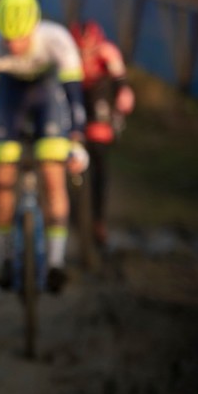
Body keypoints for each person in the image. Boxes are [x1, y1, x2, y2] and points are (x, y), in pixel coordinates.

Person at [0, 0, 89, 293]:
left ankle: (56, 264)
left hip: (48, 98)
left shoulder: (56, 39)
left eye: (20, 37)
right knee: (2, 179)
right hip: (9, 100)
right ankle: (6, 257)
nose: (13, 44)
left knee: (52, 175)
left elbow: (74, 96)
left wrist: (77, 140)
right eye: (7, 38)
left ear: (35, 27)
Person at [69, 19, 135, 248]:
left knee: (99, 157)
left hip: (99, 101)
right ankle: (72, 212)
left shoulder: (107, 52)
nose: (85, 54)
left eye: (89, 48)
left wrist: (123, 100)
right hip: (75, 99)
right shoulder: (67, 52)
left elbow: (120, 83)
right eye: (81, 49)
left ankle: (99, 219)